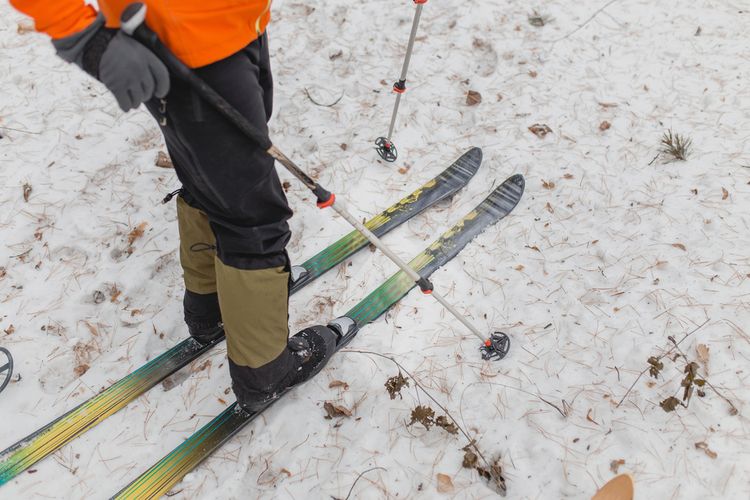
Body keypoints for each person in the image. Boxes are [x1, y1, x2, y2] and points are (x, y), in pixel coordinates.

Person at [9, 0, 337, 412]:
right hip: (181, 41)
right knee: (253, 216)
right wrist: (81, 33)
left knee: (212, 181)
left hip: (238, 25)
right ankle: (264, 371)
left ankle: (213, 308)